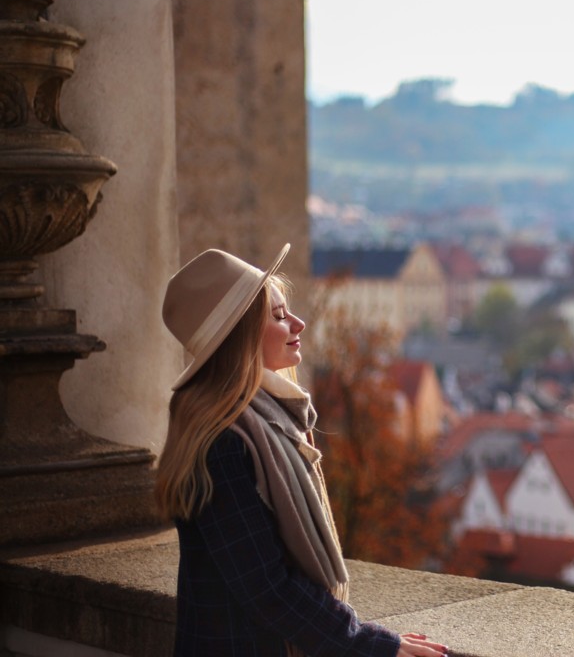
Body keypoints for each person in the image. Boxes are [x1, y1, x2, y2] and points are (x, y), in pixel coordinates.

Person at [156, 244, 450, 657]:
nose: (299, 322)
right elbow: (266, 587)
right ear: (239, 335)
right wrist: (372, 645)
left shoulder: (264, 421)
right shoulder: (222, 441)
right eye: (277, 316)